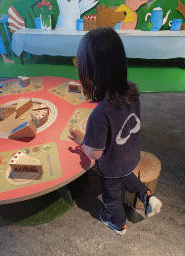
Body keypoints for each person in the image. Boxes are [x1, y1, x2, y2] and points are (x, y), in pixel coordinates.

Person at [68, 26, 162, 235]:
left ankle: (118, 223)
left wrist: (82, 143)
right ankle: (147, 196)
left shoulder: (100, 113)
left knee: (111, 196)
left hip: (111, 167)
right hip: (130, 155)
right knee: (128, 176)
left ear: (89, 73)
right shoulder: (131, 89)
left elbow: (94, 153)